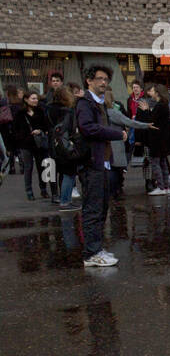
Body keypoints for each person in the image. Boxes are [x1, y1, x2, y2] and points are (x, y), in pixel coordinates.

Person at [75, 65, 130, 267]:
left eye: (106, 79)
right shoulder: (85, 103)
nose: (103, 83)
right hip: (92, 163)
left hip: (103, 163)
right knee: (93, 209)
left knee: (102, 207)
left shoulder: (99, 104)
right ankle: (91, 253)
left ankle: (96, 247)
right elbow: (88, 128)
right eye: (99, 79)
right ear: (89, 81)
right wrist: (116, 134)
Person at [103, 88, 154, 200]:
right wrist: (146, 125)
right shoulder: (113, 112)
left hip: (106, 144)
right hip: (116, 144)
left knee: (110, 168)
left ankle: (111, 191)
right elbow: (129, 122)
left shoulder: (101, 113)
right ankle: (115, 191)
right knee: (116, 169)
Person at [11, 89, 53, 200]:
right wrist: (22, 138)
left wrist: (40, 131)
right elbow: (15, 129)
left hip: (39, 143)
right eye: (33, 98)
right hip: (26, 145)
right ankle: (29, 191)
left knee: (42, 167)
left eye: (36, 99)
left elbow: (46, 125)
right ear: (26, 99)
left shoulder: (40, 111)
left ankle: (43, 189)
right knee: (28, 168)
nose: (36, 101)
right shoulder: (20, 113)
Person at [47, 86, 81, 209]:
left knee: (56, 171)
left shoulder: (49, 109)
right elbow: (70, 129)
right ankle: (65, 200)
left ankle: (60, 197)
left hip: (53, 144)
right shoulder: (68, 111)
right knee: (69, 173)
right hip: (65, 144)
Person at [142, 84, 170, 195]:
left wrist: (146, 111)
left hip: (157, 139)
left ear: (157, 93)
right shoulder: (164, 105)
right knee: (163, 163)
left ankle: (161, 187)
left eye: (153, 91)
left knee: (155, 163)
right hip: (164, 139)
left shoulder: (159, 106)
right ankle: (166, 187)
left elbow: (151, 120)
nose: (152, 93)